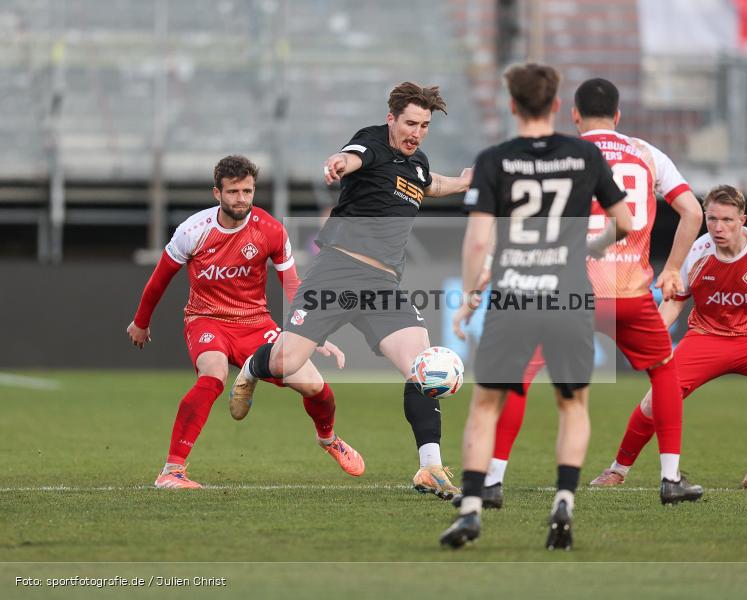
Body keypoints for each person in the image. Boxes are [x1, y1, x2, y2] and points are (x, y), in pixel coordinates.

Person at [452, 77, 706, 507]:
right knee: (664, 371)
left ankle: (492, 480)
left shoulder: (565, 155)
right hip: (630, 291)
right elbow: (692, 211)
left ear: (573, 114)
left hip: (566, 289)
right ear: (618, 115)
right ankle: (670, 477)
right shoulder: (646, 154)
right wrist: (675, 268)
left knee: (518, 379)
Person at [230, 83, 473, 499]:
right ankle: (253, 368)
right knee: (287, 361)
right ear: (391, 118)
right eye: (410, 123)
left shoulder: (416, 163)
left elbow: (427, 183)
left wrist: (464, 182)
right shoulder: (372, 142)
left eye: (424, 125)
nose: (416, 132)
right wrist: (338, 164)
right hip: (337, 272)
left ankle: (430, 467)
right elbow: (352, 157)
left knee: (423, 367)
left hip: (382, 285)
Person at [439, 63, 632, 550]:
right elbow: (624, 221)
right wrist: (595, 246)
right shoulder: (584, 155)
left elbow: (478, 240)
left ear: (511, 105)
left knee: (486, 405)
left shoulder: (494, 159)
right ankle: (563, 501)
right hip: (568, 294)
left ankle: (470, 509)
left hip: (512, 296)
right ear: (553, 106)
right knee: (573, 405)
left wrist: (467, 299)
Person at [127, 155, 363, 489]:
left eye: (248, 191)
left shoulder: (270, 230)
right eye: (234, 191)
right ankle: (172, 471)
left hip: (255, 323)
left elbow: (293, 285)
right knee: (213, 376)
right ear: (217, 194)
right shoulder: (192, 231)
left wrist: (309, 332)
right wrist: (141, 321)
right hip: (206, 319)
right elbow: (159, 279)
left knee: (316, 387)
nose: (242, 199)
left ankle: (327, 439)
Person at [595, 184, 747, 489]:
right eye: (712, 219)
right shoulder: (696, 253)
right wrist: (656, 334)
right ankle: (618, 470)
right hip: (707, 336)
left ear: (742, 219)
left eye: (727, 220)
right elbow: (676, 299)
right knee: (655, 398)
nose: (718, 227)